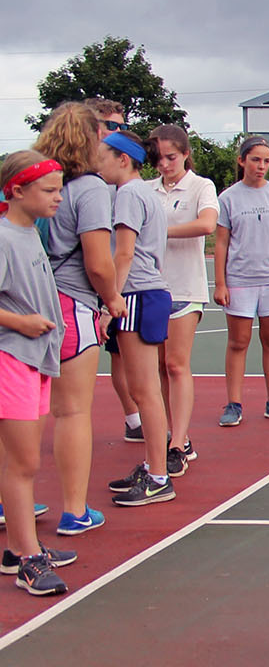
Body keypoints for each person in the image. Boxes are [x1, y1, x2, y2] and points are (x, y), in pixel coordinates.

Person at [38, 103, 123, 537]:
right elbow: (98, 261)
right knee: (72, 412)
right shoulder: (90, 189)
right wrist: (112, 300)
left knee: (20, 411)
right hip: (71, 303)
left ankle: (9, 499)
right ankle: (74, 510)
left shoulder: (33, 183)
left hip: (26, 302)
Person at [0, 150, 74, 596]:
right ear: (17, 190)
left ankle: (16, 548)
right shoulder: (5, 237)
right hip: (12, 357)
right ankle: (29, 559)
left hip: (35, 358)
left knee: (22, 461)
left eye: (59, 188)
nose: (59, 198)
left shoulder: (30, 234)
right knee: (23, 462)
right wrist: (21, 323)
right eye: (49, 190)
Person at [96, 130, 176, 506]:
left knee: (144, 392)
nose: (98, 163)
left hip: (137, 294)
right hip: (149, 292)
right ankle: (154, 466)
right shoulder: (146, 192)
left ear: (123, 159)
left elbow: (124, 254)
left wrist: (109, 300)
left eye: (103, 156)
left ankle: (159, 476)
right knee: (146, 391)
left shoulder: (128, 194)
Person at [213, 137, 269, 427]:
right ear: (242, 161)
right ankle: (234, 404)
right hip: (240, 280)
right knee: (238, 342)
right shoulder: (228, 198)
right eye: (255, 160)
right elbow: (221, 244)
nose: (261, 166)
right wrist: (220, 283)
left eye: (266, 161)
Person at [148, 125, 218, 477]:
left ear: (185, 154)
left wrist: (159, 230)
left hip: (185, 289)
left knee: (177, 364)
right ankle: (169, 433)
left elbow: (207, 225)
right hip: (151, 288)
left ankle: (178, 444)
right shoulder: (147, 190)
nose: (164, 165)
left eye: (171, 157)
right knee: (158, 367)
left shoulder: (201, 186)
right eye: (158, 158)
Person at [86, 100, 143, 443]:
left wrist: (112, 294)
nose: (116, 132)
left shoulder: (123, 182)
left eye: (121, 126)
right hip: (81, 280)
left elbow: (125, 248)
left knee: (122, 354)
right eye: (110, 125)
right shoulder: (75, 177)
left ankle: (135, 419)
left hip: (113, 280)